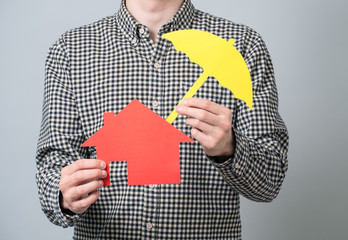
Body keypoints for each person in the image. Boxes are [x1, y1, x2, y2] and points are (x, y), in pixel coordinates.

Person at [36, 0, 289, 239]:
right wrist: (64, 196)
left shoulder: (243, 45)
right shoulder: (71, 50)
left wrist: (229, 148)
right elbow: (52, 167)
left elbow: (269, 181)